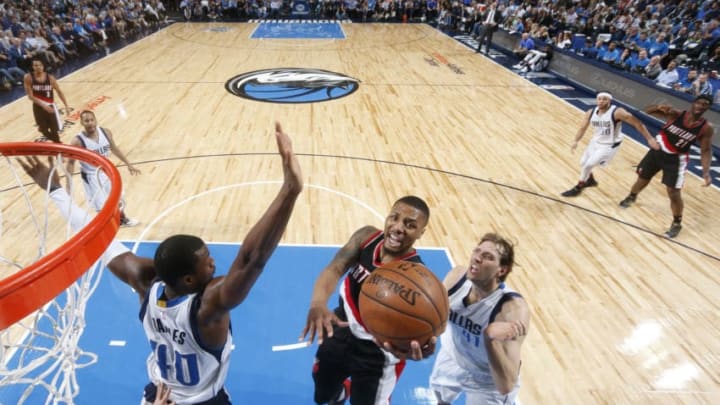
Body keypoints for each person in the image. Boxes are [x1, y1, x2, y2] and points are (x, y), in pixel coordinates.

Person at [20, 121, 303, 404]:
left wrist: (56, 190)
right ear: (189, 280)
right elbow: (251, 259)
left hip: (159, 395)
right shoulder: (206, 310)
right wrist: (289, 191)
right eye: (207, 262)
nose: (214, 264)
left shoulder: (146, 285)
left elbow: (98, 240)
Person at [300, 196, 434, 405]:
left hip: (378, 354)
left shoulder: (416, 277)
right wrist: (317, 303)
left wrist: (420, 347)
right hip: (340, 328)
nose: (398, 227)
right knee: (323, 395)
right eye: (394, 218)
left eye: (410, 225)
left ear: (421, 233)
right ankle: (342, 394)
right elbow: (335, 268)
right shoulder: (367, 237)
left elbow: (424, 331)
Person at [429, 233, 529, 405]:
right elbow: (433, 318)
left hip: (489, 378)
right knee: (441, 400)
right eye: (477, 251)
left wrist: (490, 339)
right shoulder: (457, 278)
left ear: (501, 270)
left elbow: (506, 384)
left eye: (487, 257)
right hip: (454, 356)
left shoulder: (512, 310)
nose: (477, 258)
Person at [619, 95, 715, 238]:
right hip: (658, 150)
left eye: (705, 104)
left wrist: (706, 173)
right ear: (694, 103)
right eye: (699, 102)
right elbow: (647, 111)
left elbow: (705, 150)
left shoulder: (706, 128)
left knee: (673, 192)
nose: (701, 106)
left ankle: (677, 223)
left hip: (676, 159)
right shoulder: (676, 113)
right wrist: (658, 107)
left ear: (707, 108)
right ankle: (632, 196)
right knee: (643, 178)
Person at [561, 91, 659, 197]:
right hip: (595, 141)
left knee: (588, 165)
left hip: (609, 144)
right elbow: (582, 127)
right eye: (599, 99)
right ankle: (590, 180)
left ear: (610, 101)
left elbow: (637, 123)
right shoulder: (591, 112)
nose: (601, 101)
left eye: (604, 99)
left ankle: (578, 187)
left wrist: (649, 139)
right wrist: (576, 141)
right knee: (583, 163)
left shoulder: (618, 112)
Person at [66, 110, 142, 227]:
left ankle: (121, 220)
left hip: (107, 171)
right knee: (101, 204)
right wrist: (68, 183)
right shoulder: (77, 141)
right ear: (82, 122)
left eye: (92, 120)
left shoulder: (105, 132)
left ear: (95, 120)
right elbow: (70, 163)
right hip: (91, 176)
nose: (90, 123)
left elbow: (114, 148)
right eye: (86, 121)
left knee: (118, 197)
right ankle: (105, 227)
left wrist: (129, 164)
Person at [23, 58, 70, 143]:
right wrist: (44, 106)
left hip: (50, 105)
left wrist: (66, 105)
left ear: (43, 66)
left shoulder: (50, 78)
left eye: (40, 65)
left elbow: (59, 91)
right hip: (38, 106)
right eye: (36, 65)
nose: (38, 67)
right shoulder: (28, 77)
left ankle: (58, 145)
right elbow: (30, 96)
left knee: (54, 130)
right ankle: (59, 144)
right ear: (32, 67)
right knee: (43, 130)